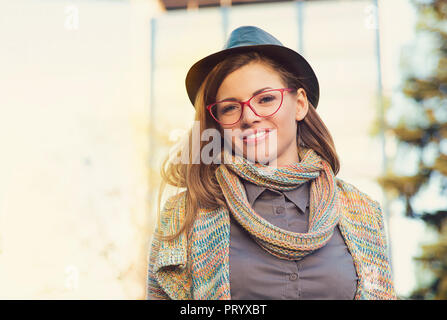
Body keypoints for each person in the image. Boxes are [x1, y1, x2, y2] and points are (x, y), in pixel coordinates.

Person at [146, 25, 397, 300]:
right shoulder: (183, 214)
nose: (249, 116)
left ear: (299, 104)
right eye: (230, 107)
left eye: (265, 99)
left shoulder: (363, 212)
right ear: (217, 123)